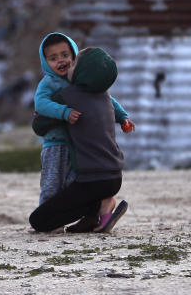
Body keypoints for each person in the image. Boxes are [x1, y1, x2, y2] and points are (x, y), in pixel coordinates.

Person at [29, 47, 129, 234]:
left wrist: (44, 113)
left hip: (93, 179)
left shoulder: (68, 97)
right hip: (115, 176)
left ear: (83, 71)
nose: (68, 66)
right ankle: (96, 216)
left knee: (38, 220)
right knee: (72, 200)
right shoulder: (106, 97)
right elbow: (116, 113)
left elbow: (39, 127)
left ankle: (102, 205)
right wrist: (124, 118)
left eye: (74, 63)